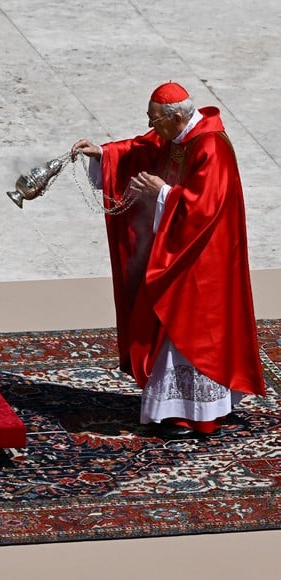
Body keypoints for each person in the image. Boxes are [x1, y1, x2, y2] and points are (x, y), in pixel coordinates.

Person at [71, 81, 266, 439]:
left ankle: (196, 414)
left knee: (191, 330)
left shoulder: (211, 147)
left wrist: (162, 193)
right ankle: (179, 408)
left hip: (202, 260)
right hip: (178, 253)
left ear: (177, 117)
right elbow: (142, 148)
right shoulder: (177, 136)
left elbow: (205, 208)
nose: (151, 127)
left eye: (156, 120)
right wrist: (104, 153)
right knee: (166, 322)